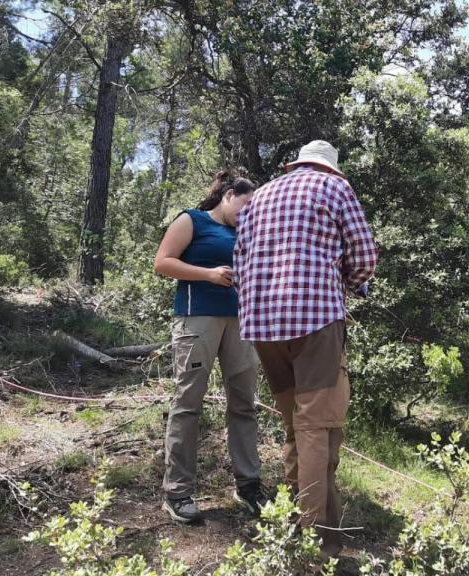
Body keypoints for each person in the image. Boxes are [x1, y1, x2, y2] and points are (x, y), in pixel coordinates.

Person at [233, 140, 377, 559]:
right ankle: (316, 544)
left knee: (295, 425)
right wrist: (346, 284)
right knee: (317, 427)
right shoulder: (334, 187)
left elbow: (240, 263)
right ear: (330, 168)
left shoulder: (259, 196)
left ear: (295, 164)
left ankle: (294, 521)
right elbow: (365, 257)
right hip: (315, 321)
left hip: (263, 326)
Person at [154, 170, 268, 523]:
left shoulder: (247, 231)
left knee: (244, 404)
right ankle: (178, 492)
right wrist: (208, 274)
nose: (248, 213)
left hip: (241, 324)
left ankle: (248, 485)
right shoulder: (193, 220)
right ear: (229, 194)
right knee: (188, 403)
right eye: (246, 205)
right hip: (197, 320)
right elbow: (162, 263)